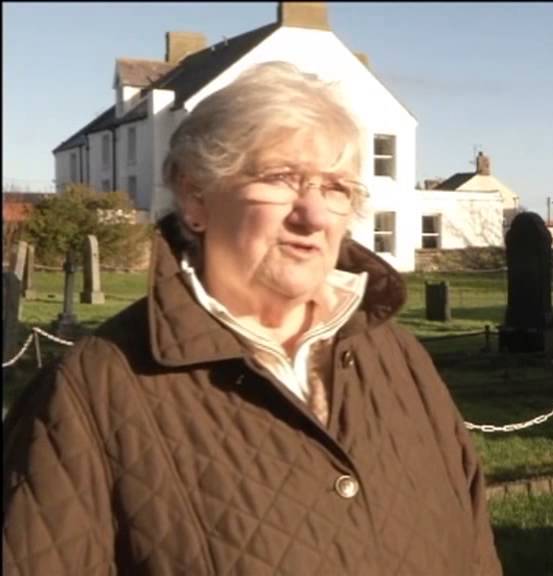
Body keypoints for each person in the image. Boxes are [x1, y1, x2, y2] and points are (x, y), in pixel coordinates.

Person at [3, 62, 502, 575]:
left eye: (335, 189)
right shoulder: (94, 392)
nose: (313, 215)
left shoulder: (400, 359)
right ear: (195, 195)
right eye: (281, 178)